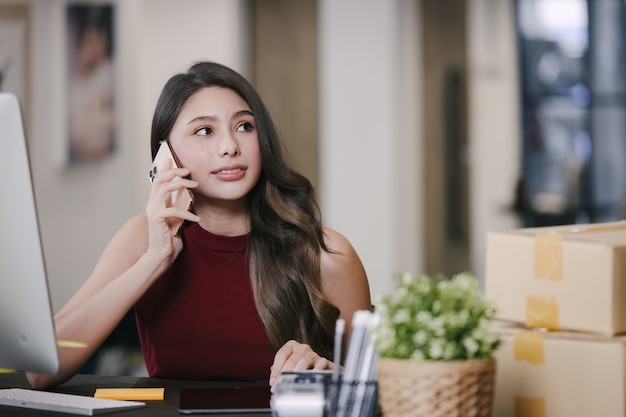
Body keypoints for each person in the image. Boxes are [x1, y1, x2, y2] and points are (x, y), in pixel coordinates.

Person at [27, 61, 372, 391]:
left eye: (244, 126)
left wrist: (331, 371)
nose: (229, 147)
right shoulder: (140, 239)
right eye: (205, 131)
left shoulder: (326, 254)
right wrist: (154, 260)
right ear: (166, 155)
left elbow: (378, 386)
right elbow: (40, 371)